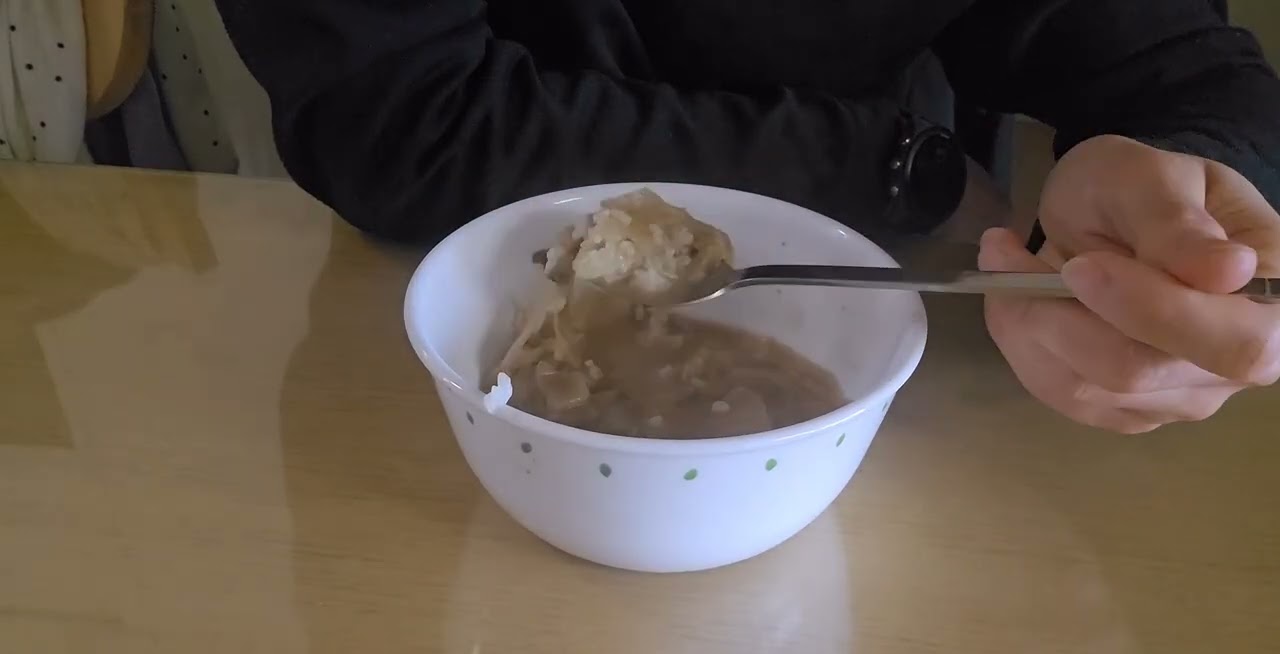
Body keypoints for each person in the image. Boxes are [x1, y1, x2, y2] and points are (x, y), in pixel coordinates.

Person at [214, 0, 1280, 434]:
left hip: (914, 386)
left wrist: (1187, 205)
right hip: (402, 359)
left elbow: (1187, 70)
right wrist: (888, 167)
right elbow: (395, 120)